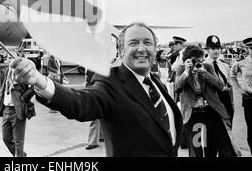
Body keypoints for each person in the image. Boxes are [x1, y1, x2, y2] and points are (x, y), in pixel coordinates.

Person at [11, 22, 183, 157]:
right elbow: (81, 102)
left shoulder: (155, 84)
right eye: (133, 43)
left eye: (147, 43)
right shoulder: (111, 82)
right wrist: (41, 81)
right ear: (121, 50)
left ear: (155, 49)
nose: (141, 48)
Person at [174, 45, 238, 157]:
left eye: (200, 59)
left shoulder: (207, 67)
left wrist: (204, 73)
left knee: (222, 144)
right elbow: (177, 88)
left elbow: (220, 85)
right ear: (187, 60)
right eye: (195, 60)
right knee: (196, 147)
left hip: (210, 111)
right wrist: (186, 72)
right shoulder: (181, 69)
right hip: (193, 114)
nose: (198, 62)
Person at [0, 66, 35, 157]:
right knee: (6, 138)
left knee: (18, 141)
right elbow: (2, 85)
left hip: (17, 109)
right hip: (6, 109)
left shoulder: (23, 72)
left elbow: (34, 86)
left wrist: (23, 98)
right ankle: (22, 155)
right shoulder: (5, 71)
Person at [203, 35, 235, 123]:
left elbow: (229, 85)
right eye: (213, 48)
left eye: (218, 48)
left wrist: (232, 103)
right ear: (207, 50)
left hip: (225, 98)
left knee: (228, 125)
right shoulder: (203, 66)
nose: (216, 51)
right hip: (212, 99)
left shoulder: (224, 65)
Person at [85, 69, 104, 150]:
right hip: (99, 92)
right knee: (101, 115)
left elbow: (90, 81)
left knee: (94, 117)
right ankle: (101, 136)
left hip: (96, 93)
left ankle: (93, 142)